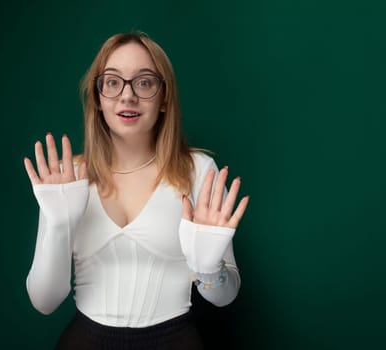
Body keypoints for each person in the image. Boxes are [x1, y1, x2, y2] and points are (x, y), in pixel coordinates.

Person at [23, 32, 250, 349]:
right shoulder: (67, 178)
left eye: (144, 83)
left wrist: (209, 269)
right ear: (98, 97)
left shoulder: (199, 171)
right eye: (113, 82)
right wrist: (59, 226)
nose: (127, 96)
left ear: (164, 98)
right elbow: (44, 301)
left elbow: (224, 298)